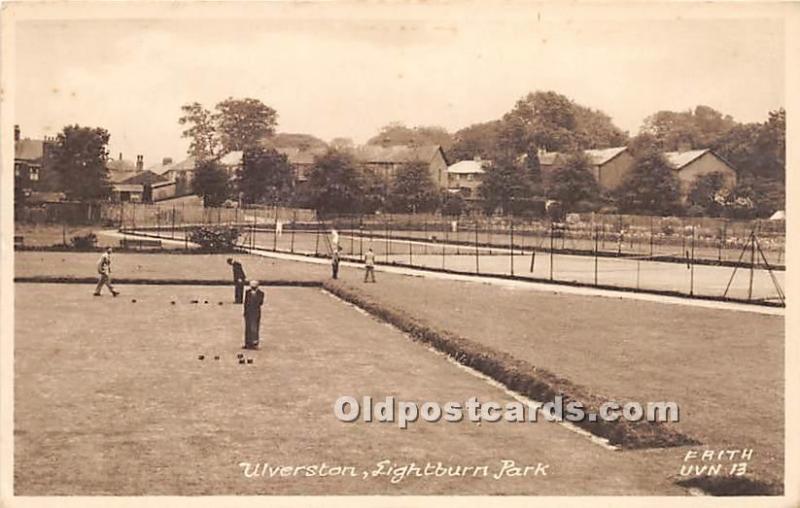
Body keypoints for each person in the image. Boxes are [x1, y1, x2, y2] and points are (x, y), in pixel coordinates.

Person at [243, 280, 264, 349]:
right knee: (248, 328)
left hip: (255, 313)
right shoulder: (247, 292)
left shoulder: (261, 293)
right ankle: (248, 343)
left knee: (255, 328)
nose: (253, 288)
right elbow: (245, 303)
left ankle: (255, 343)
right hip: (248, 312)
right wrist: (245, 312)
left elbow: (260, 303)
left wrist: (254, 296)